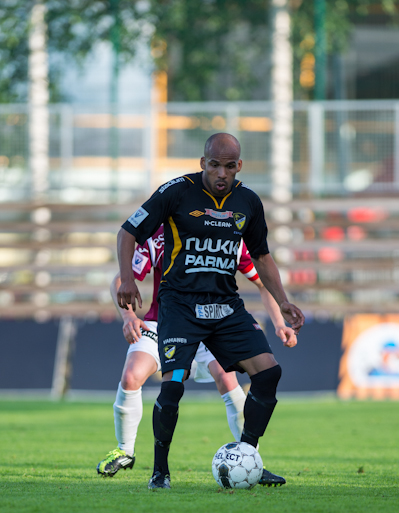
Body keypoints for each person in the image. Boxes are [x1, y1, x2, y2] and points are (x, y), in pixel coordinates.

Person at [117, 132, 305, 489]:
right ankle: (160, 472)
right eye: (215, 165)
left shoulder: (248, 201)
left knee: (268, 374)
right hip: (180, 305)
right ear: (203, 163)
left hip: (225, 305)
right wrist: (127, 278)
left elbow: (262, 257)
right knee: (172, 385)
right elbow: (128, 232)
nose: (222, 173)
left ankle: (247, 455)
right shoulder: (175, 192)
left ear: (239, 166)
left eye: (229, 166)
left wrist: (283, 302)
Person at [97, 225, 297, 485]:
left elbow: (261, 281)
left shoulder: (230, 238)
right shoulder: (160, 237)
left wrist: (280, 323)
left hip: (213, 323)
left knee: (227, 379)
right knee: (131, 375)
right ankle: (125, 450)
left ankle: (251, 459)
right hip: (166, 322)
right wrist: (128, 316)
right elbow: (120, 280)